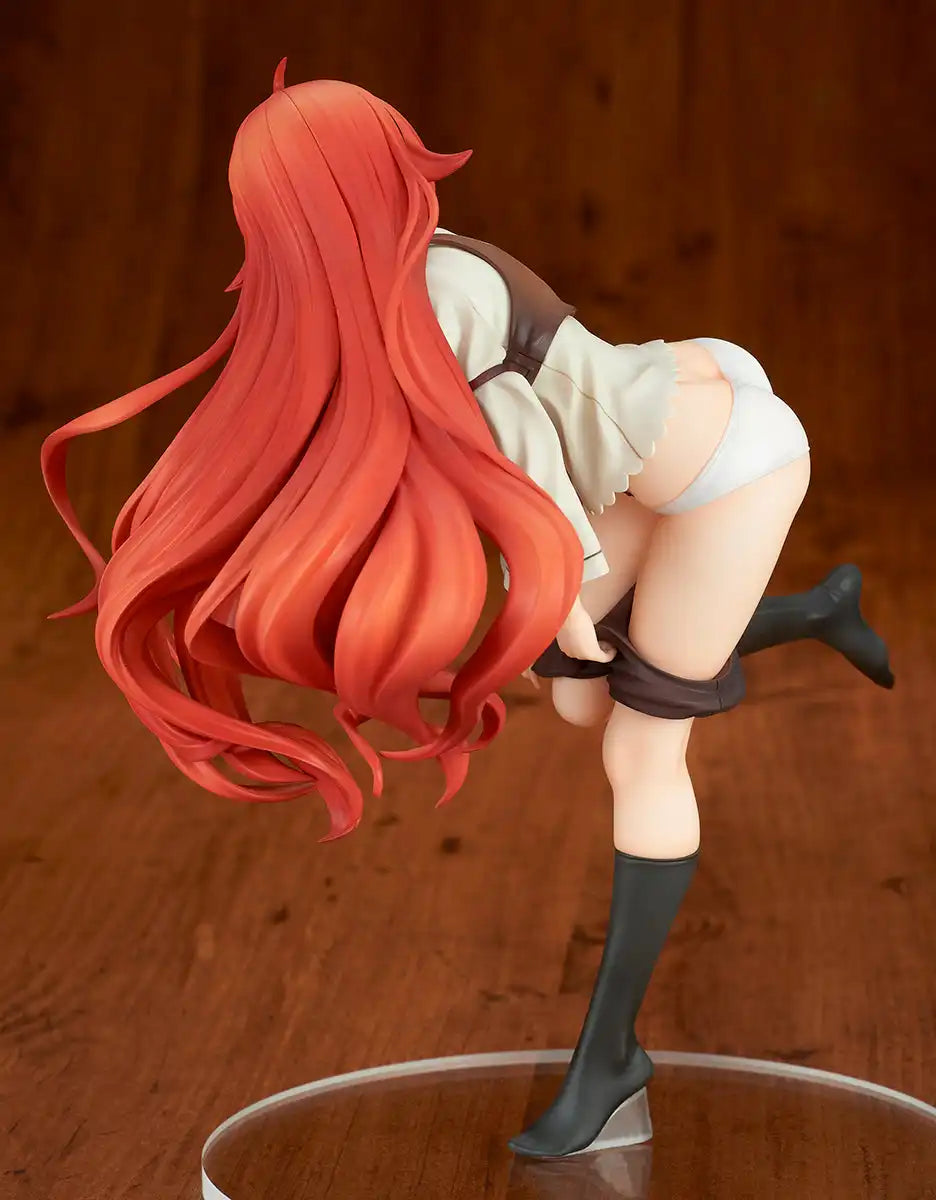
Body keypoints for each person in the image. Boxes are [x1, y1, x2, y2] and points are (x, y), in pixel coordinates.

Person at [39, 67, 893, 1159]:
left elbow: (523, 462)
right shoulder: (368, 291)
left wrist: (564, 599)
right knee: (581, 700)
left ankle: (611, 1061)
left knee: (640, 750)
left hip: (728, 461)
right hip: (637, 447)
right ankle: (817, 611)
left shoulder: (443, 288)